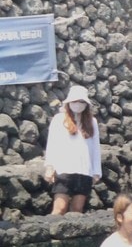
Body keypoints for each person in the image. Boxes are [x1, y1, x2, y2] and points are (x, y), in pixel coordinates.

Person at [43, 85, 102, 215]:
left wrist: (96, 171)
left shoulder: (92, 122)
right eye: (75, 101)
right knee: (60, 208)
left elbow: (95, 147)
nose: (78, 104)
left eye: (82, 102)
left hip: (84, 170)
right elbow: (52, 144)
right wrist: (49, 167)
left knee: (77, 210)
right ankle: (53, 233)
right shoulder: (59, 120)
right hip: (64, 169)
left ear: (86, 104)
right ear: (69, 102)